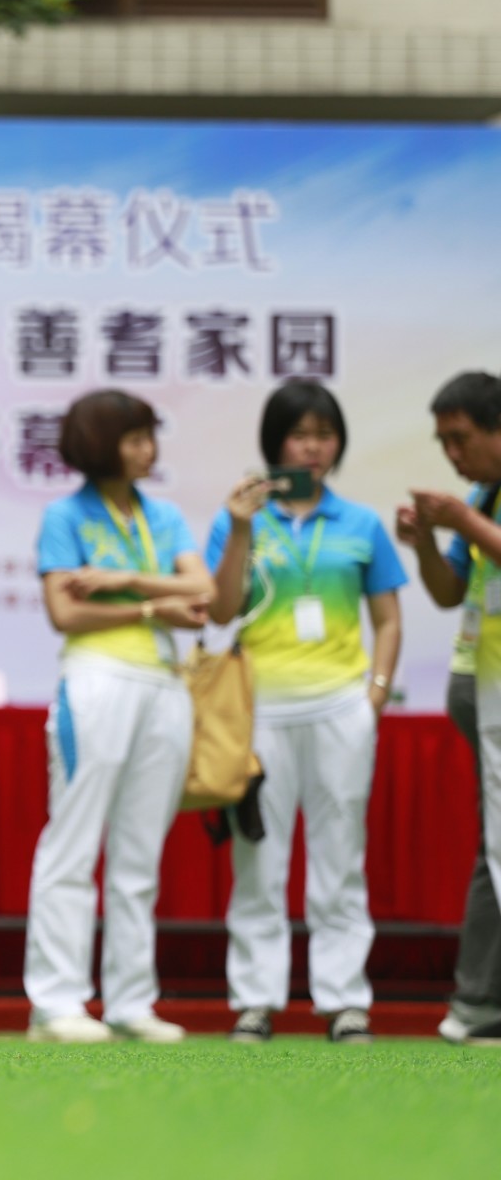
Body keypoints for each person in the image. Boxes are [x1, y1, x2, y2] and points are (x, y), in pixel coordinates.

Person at [206, 381, 404, 1045]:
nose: (313, 446)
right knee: (257, 859)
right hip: (260, 710)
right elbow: (221, 610)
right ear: (275, 444)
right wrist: (237, 529)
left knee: (340, 854)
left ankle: (344, 1000)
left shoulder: (361, 524)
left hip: (340, 709)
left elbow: (389, 618)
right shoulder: (242, 519)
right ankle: (256, 1000)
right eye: (299, 434)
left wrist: (372, 696)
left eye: (325, 433)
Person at [26, 389, 211, 1044]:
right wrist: (148, 605)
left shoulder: (162, 517)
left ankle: (132, 1000)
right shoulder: (64, 515)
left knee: (140, 851)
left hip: (164, 683)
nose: (146, 449)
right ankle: (57, 1001)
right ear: (99, 443)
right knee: (73, 840)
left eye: (149, 437)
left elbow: (206, 589)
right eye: (133, 438)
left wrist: (117, 579)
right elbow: (65, 612)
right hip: (97, 679)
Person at [401, 371, 501, 1045]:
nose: (453, 455)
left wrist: (463, 520)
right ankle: (476, 1003)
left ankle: (475, 1001)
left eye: (460, 439)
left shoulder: (476, 506)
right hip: (480, 678)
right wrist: (427, 544)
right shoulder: (481, 496)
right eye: (443, 443)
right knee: (494, 844)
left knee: (494, 846)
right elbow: (446, 594)